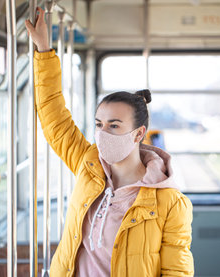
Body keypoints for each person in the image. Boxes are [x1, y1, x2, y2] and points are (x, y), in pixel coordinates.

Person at [25, 7, 194, 277]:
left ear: (138, 134)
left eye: (114, 126)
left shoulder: (170, 202)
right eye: (99, 124)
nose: (103, 134)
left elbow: (176, 271)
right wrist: (44, 51)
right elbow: (54, 119)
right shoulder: (89, 165)